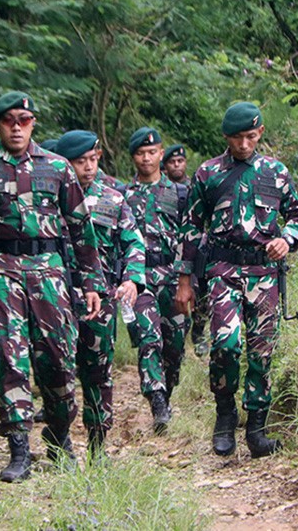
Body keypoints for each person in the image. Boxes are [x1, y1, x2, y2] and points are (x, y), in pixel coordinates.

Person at [0, 91, 105, 483]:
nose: (17, 127)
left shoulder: (58, 168)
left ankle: (60, 435)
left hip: (49, 271)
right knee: (10, 356)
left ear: (33, 124)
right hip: (0, 271)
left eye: (25, 120)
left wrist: (91, 283)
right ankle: (19, 448)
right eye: (9, 120)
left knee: (57, 359)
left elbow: (81, 229)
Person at [175, 102, 298, 458]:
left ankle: (257, 427)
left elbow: (296, 217)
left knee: (262, 351)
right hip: (223, 271)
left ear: (260, 133)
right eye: (237, 138)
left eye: (250, 136)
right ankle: (225, 412)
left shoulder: (276, 173)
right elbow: (189, 227)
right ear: (226, 137)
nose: (244, 144)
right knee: (226, 344)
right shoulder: (207, 174)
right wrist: (184, 279)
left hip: (265, 273)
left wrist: (287, 239)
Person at [54, 130, 146, 458]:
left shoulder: (112, 199)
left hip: (100, 301)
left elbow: (133, 242)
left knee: (98, 372)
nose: (90, 167)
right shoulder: (49, 197)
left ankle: (97, 445)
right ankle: (59, 441)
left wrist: (133, 279)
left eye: (94, 159)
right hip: (57, 296)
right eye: (81, 162)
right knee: (57, 370)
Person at [123, 127, 189, 434]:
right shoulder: (122, 196)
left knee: (174, 346)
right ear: (133, 157)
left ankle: (167, 389)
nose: (146, 158)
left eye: (152, 152)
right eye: (140, 153)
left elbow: (191, 237)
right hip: (140, 279)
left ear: (161, 154)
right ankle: (158, 401)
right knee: (150, 340)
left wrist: (191, 281)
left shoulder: (180, 194)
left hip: (173, 277)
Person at [162, 144, 210, 356]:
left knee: (200, 293)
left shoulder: (194, 185)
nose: (177, 165)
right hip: (169, 251)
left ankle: (198, 333)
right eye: (172, 162)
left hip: (194, 249)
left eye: (180, 161)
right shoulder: (161, 189)